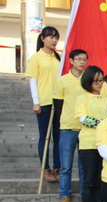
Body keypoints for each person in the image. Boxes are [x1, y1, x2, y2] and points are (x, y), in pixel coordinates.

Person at [75, 66, 107, 202]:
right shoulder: (82, 98)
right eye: (96, 80)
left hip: (106, 144)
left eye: (101, 80)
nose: (99, 83)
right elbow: (83, 119)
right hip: (88, 144)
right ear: (88, 81)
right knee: (89, 179)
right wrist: (102, 123)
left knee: (101, 179)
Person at [25, 26, 61, 182]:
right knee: (44, 137)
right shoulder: (36, 58)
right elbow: (33, 80)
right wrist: (36, 102)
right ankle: (45, 168)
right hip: (44, 102)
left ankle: (57, 168)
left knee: (58, 137)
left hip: (58, 101)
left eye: (56, 38)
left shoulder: (59, 58)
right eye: (51, 37)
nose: (54, 40)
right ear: (42, 38)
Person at [53, 49, 87, 202]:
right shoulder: (62, 81)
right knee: (65, 166)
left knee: (84, 167)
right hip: (67, 128)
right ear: (71, 61)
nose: (82, 62)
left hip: (86, 129)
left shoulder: (88, 80)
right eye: (79, 59)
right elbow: (58, 105)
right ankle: (65, 195)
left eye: (84, 59)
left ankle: (85, 197)